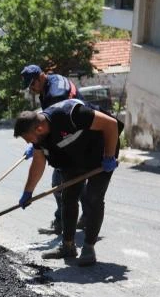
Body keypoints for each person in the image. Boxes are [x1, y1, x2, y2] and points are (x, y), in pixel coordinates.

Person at [13, 99, 123, 267]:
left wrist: (109, 156)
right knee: (69, 197)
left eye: (28, 139)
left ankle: (88, 247)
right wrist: (28, 192)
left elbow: (111, 125)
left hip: (100, 154)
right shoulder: (40, 137)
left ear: (39, 128)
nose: (29, 143)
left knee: (93, 198)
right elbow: (38, 163)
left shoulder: (70, 114)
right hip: (73, 158)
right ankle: (68, 246)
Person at [20, 64, 87, 236]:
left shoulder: (55, 95)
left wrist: (37, 145)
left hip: (76, 137)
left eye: (32, 84)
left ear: (40, 76)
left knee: (60, 182)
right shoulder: (51, 82)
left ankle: (62, 222)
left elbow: (52, 127)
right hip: (73, 134)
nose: (31, 89)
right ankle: (85, 216)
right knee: (76, 181)